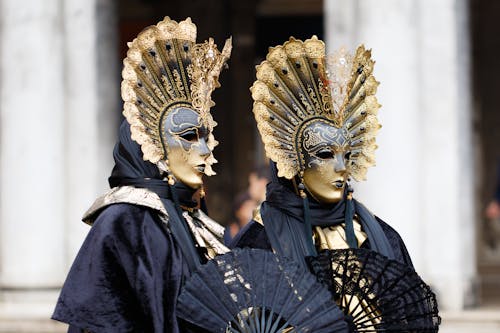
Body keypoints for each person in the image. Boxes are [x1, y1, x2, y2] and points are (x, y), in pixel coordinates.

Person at [52, 17, 231, 333]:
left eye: (205, 136)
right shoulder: (124, 221)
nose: (205, 151)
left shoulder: (192, 219)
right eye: (189, 137)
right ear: (154, 145)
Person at [234, 36, 413, 268]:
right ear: (296, 161)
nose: (342, 168)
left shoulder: (381, 239)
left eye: (346, 156)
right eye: (326, 154)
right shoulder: (258, 244)